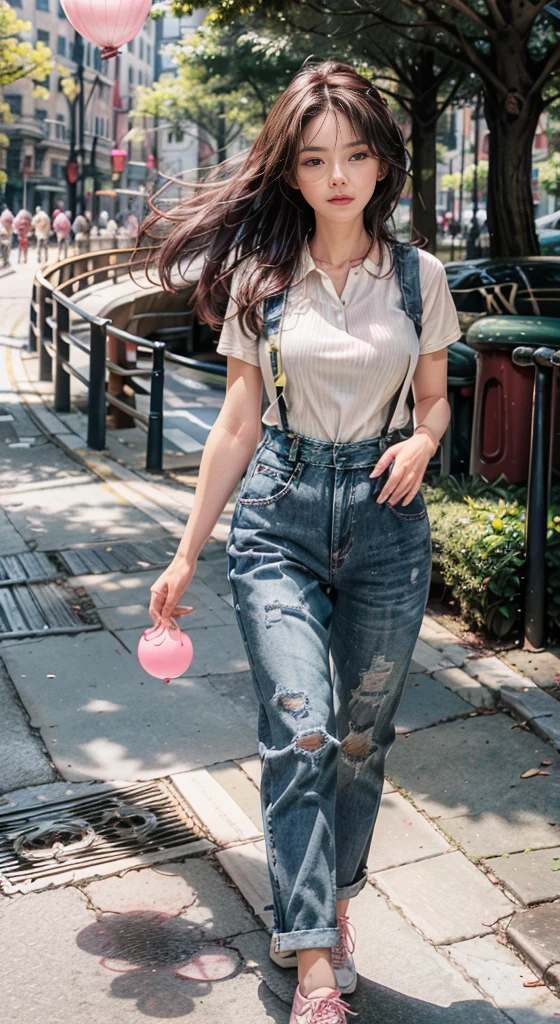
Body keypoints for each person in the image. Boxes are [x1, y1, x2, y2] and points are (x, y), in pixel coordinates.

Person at [140, 60, 461, 1024]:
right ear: (290, 170)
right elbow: (237, 423)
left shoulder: (418, 276)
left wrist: (423, 437)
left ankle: (331, 904)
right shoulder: (259, 279)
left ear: (380, 165)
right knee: (303, 726)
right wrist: (188, 549)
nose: (338, 175)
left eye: (356, 154)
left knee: (360, 741)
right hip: (278, 515)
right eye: (318, 157)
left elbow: (440, 399)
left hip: (386, 523)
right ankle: (312, 955)